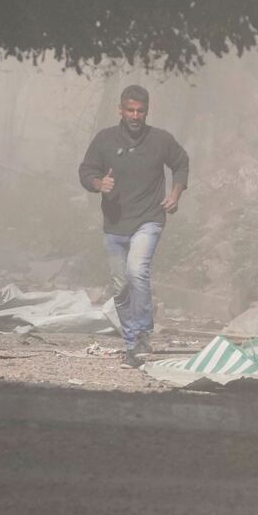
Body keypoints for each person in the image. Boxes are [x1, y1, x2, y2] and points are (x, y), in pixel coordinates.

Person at [78, 84, 189, 367]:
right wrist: (97, 183)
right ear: (121, 110)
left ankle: (142, 332)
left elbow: (181, 162)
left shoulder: (160, 140)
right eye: (130, 110)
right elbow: (86, 170)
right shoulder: (105, 140)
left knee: (137, 270)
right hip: (115, 224)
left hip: (149, 219)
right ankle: (132, 345)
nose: (135, 116)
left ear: (146, 112)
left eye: (140, 111)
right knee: (120, 286)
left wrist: (175, 194)